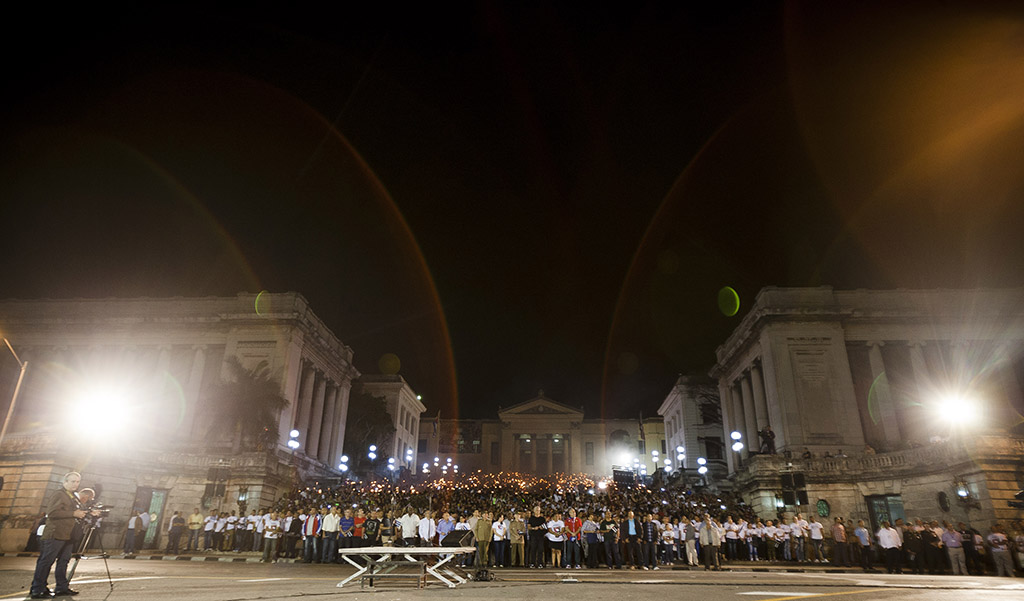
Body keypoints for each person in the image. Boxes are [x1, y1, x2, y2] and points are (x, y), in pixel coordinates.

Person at [30, 471, 97, 599]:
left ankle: (61, 588)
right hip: (55, 533)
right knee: (46, 561)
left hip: (68, 534)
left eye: (77, 482)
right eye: (72, 481)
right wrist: (73, 514)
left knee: (64, 562)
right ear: (64, 481)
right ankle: (37, 589)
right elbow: (52, 513)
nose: (75, 484)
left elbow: (76, 511)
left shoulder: (72, 496)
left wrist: (90, 512)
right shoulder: (59, 494)